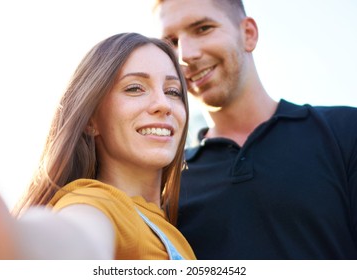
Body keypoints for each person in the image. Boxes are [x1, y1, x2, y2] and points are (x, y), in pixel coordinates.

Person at [153, 0, 357, 259]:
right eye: (171, 42)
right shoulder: (165, 180)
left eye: (203, 28)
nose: (185, 55)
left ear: (248, 33)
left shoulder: (345, 131)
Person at [0, 32, 196, 260]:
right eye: (134, 88)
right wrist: (14, 239)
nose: (163, 105)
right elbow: (74, 239)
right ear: (91, 120)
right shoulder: (97, 204)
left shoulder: (168, 226)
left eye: (173, 92)